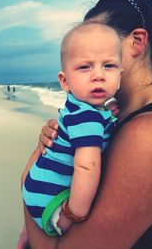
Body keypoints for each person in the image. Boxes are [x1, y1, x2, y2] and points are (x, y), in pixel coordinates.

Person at [20, 0, 152, 248]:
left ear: (137, 42)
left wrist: (28, 176)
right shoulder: (110, 118)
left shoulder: (149, 135)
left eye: (99, 38)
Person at [22, 21, 122, 237]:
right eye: (85, 67)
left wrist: (106, 113)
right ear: (64, 81)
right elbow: (87, 166)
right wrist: (74, 213)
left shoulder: (78, 108)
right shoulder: (87, 117)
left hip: (37, 190)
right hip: (52, 202)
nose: (99, 75)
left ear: (120, 75)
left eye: (109, 66)